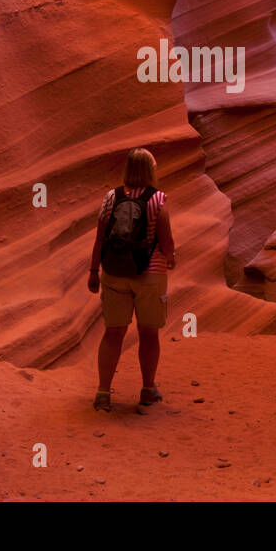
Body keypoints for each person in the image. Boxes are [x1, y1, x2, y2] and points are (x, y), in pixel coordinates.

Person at [88, 147, 175, 411]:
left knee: (113, 334)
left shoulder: (110, 197)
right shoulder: (158, 199)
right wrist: (171, 257)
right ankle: (147, 390)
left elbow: (100, 239)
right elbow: (166, 239)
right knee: (148, 333)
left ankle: (103, 393)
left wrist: (94, 271)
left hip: (114, 274)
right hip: (150, 274)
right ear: (150, 171)